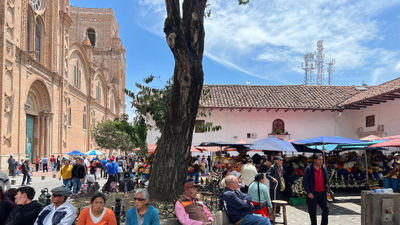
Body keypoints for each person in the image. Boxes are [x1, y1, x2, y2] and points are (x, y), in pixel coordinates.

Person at [303, 153, 329, 225]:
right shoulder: (309, 169)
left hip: (322, 193)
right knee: (313, 213)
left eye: (322, 160)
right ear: (314, 160)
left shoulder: (323, 168)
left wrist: (327, 190)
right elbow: (305, 182)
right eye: (319, 160)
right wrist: (308, 192)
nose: (321, 161)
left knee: (326, 209)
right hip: (313, 193)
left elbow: (326, 179)